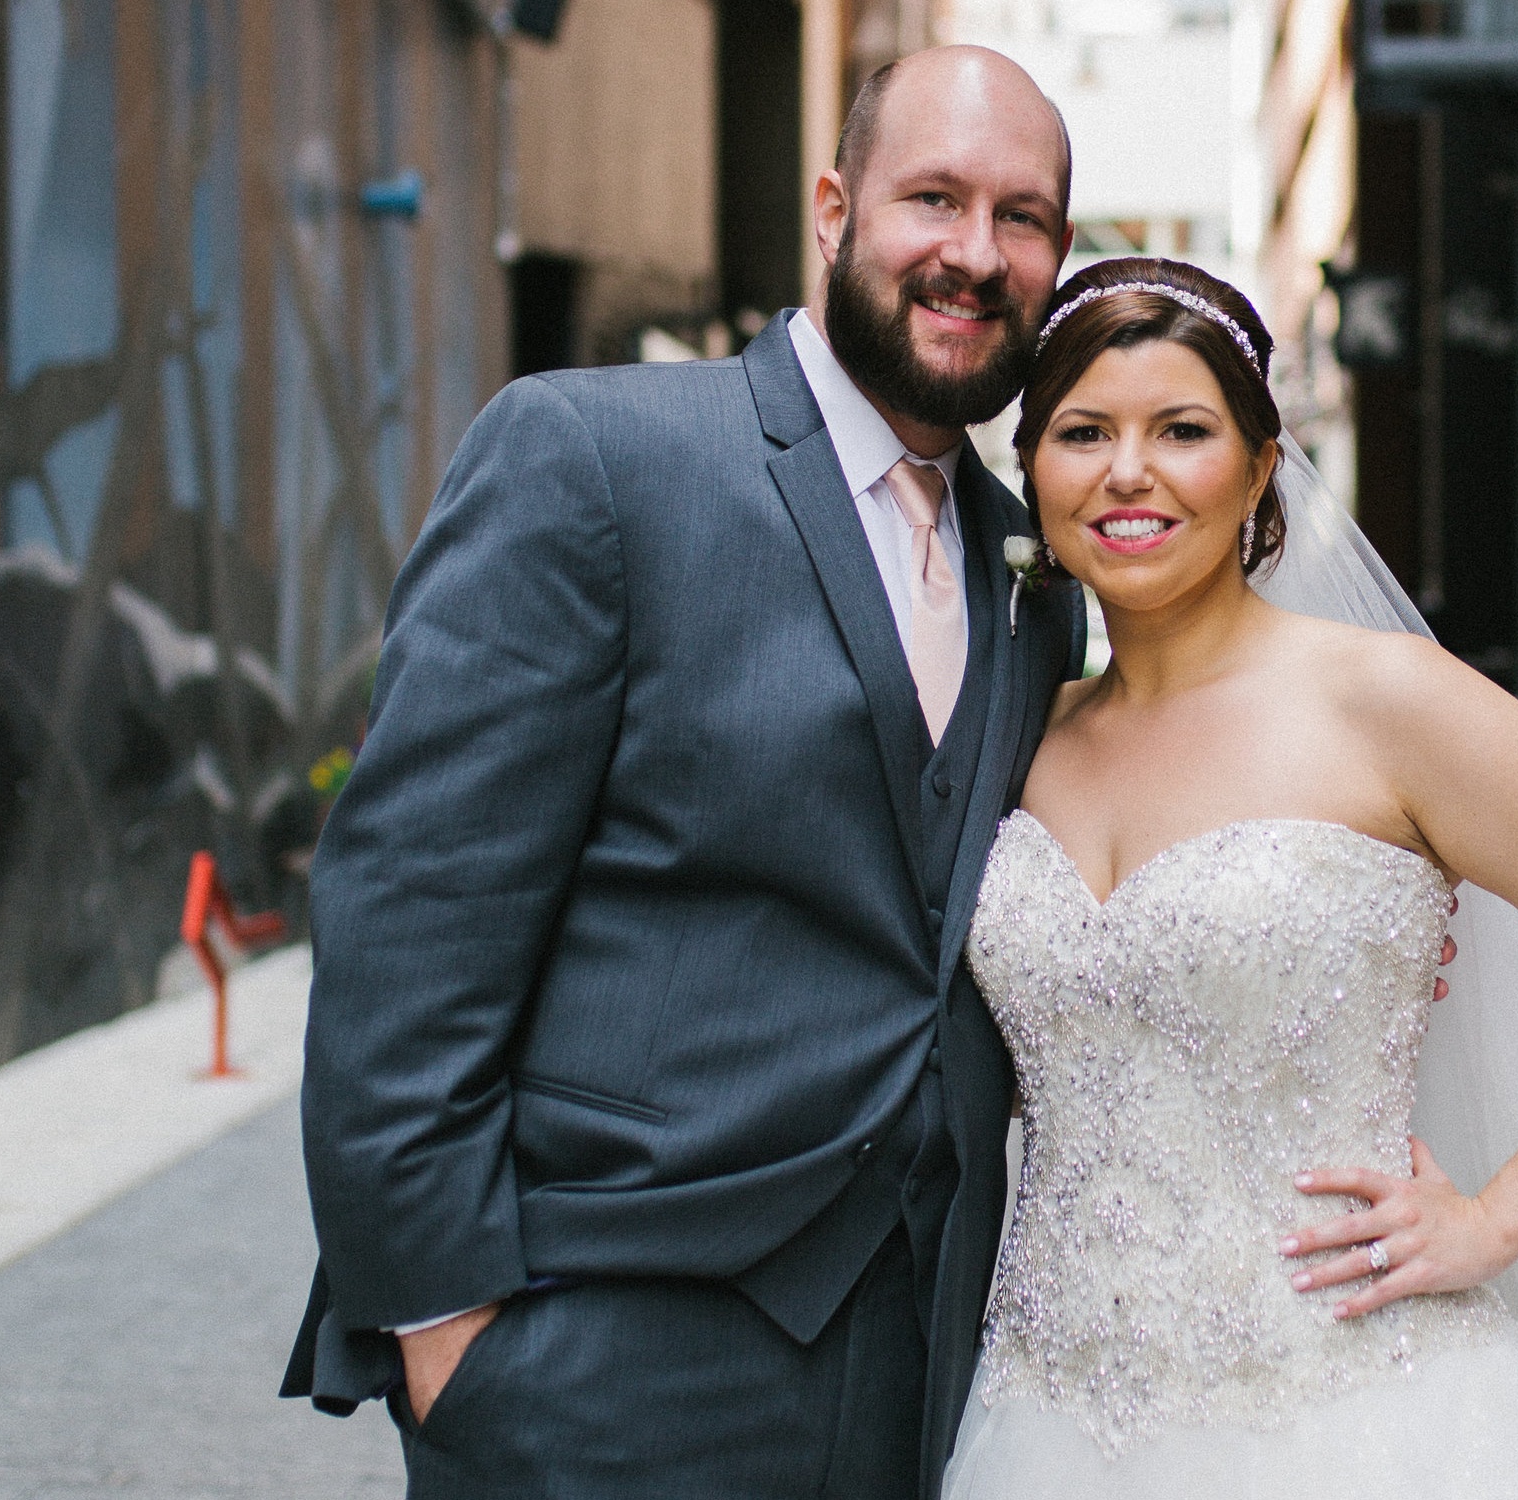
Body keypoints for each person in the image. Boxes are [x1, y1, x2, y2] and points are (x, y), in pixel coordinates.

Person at [283, 47, 1088, 1498]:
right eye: (934, 199)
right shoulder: (592, 458)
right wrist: (447, 1336)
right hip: (597, 1354)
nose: (974, 254)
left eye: (1020, 217)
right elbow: (407, 920)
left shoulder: (1039, 575)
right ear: (835, 210)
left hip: (920, 1367)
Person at [938, 258, 1518, 1499]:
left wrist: (1498, 1219)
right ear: (1033, 469)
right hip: (1049, 1409)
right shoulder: (1023, 731)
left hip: (1354, 1407)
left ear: (1257, 469)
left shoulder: (1386, 701)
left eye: (1182, 431)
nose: (1127, 472)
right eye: (1084, 433)